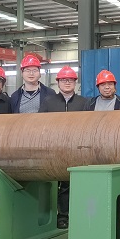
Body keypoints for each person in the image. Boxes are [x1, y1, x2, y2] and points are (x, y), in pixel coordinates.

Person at [39, 65, 89, 229]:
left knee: (73, 183)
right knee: (56, 184)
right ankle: (59, 216)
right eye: (64, 80)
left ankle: (74, 215)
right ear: (58, 82)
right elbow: (40, 125)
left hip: (77, 149)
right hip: (53, 149)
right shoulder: (48, 102)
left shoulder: (84, 103)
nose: (67, 83)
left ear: (75, 83)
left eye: (71, 80)